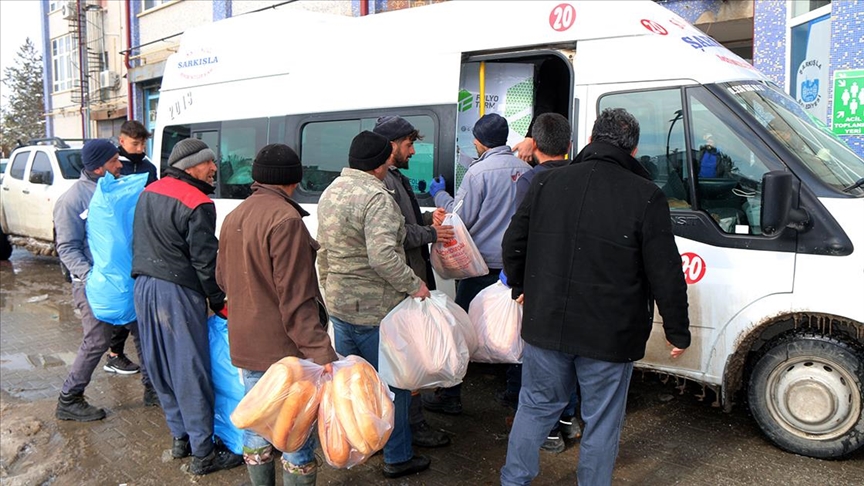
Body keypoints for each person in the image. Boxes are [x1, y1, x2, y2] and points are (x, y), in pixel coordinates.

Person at [500, 108, 691, 486]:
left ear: (588, 141)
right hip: (610, 334)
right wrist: (677, 329)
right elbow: (665, 270)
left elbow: (513, 243)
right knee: (602, 420)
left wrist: (521, 287)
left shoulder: (546, 183)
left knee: (535, 407)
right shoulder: (647, 196)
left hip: (547, 324)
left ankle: (514, 480)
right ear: (633, 151)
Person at [216, 143, 338, 486]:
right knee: (295, 434)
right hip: (283, 351)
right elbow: (296, 298)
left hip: (245, 343)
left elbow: (222, 279)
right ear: (294, 180)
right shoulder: (286, 221)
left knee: (258, 423)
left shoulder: (233, 217)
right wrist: (321, 351)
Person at [317, 131, 432, 479]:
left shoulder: (331, 191)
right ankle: (397, 456)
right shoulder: (377, 198)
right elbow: (383, 257)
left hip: (340, 306)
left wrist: (327, 292)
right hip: (374, 312)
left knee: (354, 383)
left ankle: (363, 441)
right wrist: (415, 285)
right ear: (382, 163)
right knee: (391, 386)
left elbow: (322, 251)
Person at [132, 138, 242, 476]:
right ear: (191, 166)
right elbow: (205, 262)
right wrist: (220, 301)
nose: (213, 169)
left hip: (143, 287)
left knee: (160, 365)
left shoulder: (150, 190)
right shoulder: (198, 202)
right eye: (209, 163)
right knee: (189, 370)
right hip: (177, 294)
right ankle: (204, 454)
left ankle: (180, 438)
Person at [425, 113, 530, 415]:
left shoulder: (478, 173)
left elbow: (459, 217)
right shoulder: (525, 169)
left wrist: (439, 194)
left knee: (462, 329)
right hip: (515, 268)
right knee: (516, 329)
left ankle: (451, 397)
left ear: (479, 142)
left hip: (480, 268)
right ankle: (514, 392)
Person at [53, 139, 157, 422]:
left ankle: (152, 389)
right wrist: (91, 276)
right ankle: (69, 398)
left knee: (143, 331)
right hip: (94, 286)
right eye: (113, 161)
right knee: (98, 339)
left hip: (127, 280)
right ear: (98, 167)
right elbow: (67, 247)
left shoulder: (119, 189)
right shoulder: (72, 200)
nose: (119, 164)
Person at [500, 113, 581, 454]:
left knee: (544, 366)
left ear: (534, 145)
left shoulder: (529, 182)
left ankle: (548, 432)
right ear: (570, 145)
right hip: (577, 283)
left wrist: (517, 283)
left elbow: (517, 237)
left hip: (540, 285)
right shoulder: (583, 178)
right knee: (573, 358)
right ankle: (568, 418)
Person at [373, 115, 453, 449]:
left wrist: (424, 217)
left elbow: (405, 222)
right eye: (409, 144)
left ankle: (410, 424)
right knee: (407, 360)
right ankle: (411, 427)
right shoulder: (383, 184)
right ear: (391, 145)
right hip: (402, 284)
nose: (413, 150)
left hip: (411, 278)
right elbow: (398, 235)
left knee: (411, 357)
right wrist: (432, 231)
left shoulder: (394, 177)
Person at [103, 120, 158, 376]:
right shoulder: (114, 167)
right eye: (135, 143)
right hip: (118, 240)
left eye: (143, 143)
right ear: (122, 141)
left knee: (136, 296)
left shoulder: (149, 167)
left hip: (142, 237)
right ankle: (114, 353)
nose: (139, 148)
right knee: (125, 296)